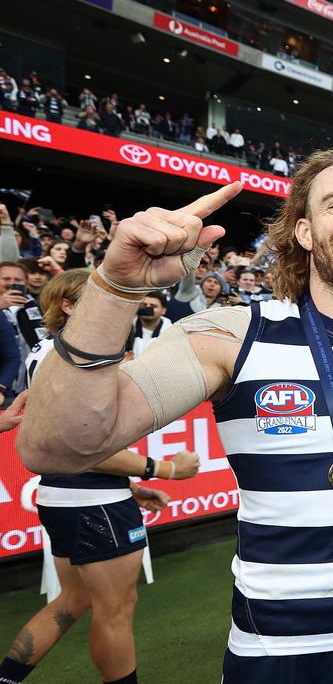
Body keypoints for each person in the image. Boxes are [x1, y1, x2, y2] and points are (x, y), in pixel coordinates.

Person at [16, 148, 333, 682]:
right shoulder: (230, 334)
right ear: (305, 232)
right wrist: (116, 285)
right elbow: (53, 447)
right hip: (274, 649)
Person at [0, 268, 200, 684]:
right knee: (115, 610)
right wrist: (165, 470)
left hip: (66, 496)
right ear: (68, 306)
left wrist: (131, 485)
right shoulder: (78, 361)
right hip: (93, 504)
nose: (124, 307)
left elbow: (71, 446)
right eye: (107, 297)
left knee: (72, 600)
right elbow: (86, 449)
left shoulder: (46, 351)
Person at [127, 291, 171, 357]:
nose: (147, 308)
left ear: (163, 310)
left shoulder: (171, 332)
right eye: (144, 305)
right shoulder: (126, 329)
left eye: (153, 306)